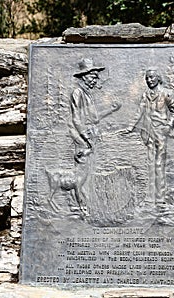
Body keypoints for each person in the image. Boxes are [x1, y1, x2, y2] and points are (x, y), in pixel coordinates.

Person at [68, 57, 121, 214]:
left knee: (90, 173)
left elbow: (94, 118)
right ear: (85, 76)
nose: (96, 80)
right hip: (84, 141)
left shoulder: (87, 94)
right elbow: (76, 118)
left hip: (91, 139)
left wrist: (111, 109)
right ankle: (80, 206)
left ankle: (86, 204)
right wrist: (86, 139)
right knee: (82, 175)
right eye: (93, 77)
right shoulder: (77, 93)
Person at [132, 69, 174, 206]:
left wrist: (169, 126)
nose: (149, 80)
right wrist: (130, 127)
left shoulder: (166, 94)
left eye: (151, 77)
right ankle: (149, 198)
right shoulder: (145, 94)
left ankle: (160, 198)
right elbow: (139, 112)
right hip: (148, 132)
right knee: (150, 164)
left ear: (158, 78)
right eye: (147, 78)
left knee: (159, 164)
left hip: (160, 132)